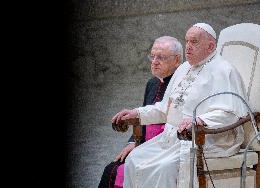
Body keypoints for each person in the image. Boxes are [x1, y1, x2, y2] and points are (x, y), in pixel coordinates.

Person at [112, 23, 248, 188]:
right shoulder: (183, 68)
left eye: (194, 42)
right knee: (135, 158)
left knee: (163, 168)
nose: (188, 47)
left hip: (206, 139)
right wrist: (137, 113)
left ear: (210, 46)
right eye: (187, 41)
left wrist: (199, 120)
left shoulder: (224, 71)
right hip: (172, 139)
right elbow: (165, 109)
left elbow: (230, 114)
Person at [98, 36, 183, 188]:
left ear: (177, 61)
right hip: (144, 145)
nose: (154, 61)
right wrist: (133, 142)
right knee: (111, 170)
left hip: (166, 149)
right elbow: (143, 116)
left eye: (161, 57)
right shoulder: (152, 83)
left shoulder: (183, 85)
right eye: (153, 56)